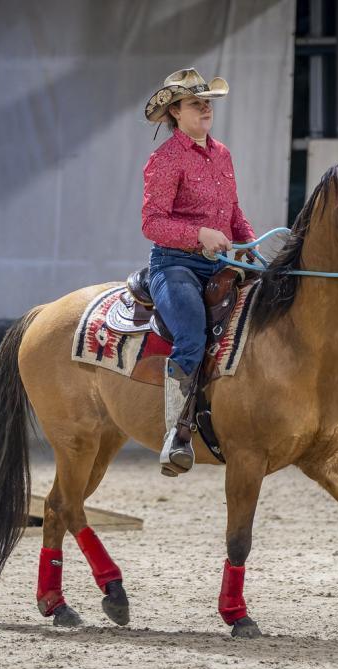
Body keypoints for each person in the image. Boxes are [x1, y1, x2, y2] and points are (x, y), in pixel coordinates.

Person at [141, 68, 256, 477]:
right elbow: (152, 223)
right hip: (175, 265)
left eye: (207, 101)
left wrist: (253, 245)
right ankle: (177, 435)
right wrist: (199, 234)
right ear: (175, 112)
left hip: (221, 263)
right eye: (195, 102)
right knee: (190, 333)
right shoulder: (165, 159)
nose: (206, 107)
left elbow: (234, 214)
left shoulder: (222, 153)